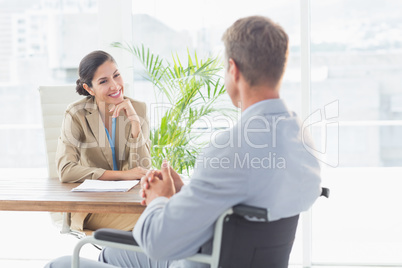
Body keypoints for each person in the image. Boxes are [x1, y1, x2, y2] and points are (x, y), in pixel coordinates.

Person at [45, 15, 322, 268]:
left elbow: (158, 241)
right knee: (111, 255)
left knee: (60, 264)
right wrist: (185, 191)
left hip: (193, 259)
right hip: (218, 254)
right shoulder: (302, 139)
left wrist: (160, 199)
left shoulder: (227, 151)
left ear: (233, 70)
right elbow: (243, 199)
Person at [55, 50, 151, 232]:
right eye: (103, 81)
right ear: (89, 89)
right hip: (91, 207)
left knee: (160, 214)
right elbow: (66, 170)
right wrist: (122, 175)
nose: (115, 86)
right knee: (153, 221)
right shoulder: (76, 114)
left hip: (130, 202)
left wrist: (136, 125)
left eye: (116, 75)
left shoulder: (138, 108)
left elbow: (141, 169)